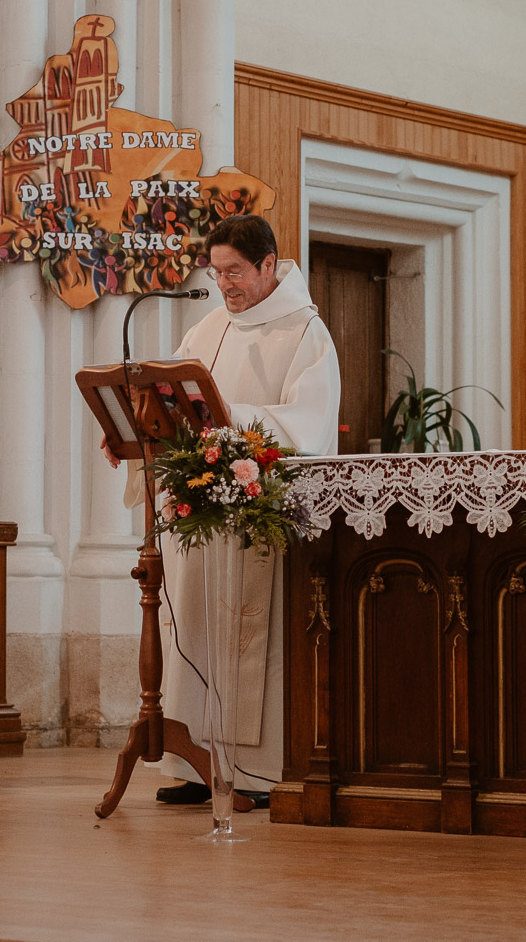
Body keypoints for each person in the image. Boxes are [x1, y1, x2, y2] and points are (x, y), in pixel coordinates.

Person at [105, 214, 340, 806]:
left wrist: (228, 416)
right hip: (200, 516)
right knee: (196, 628)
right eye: (217, 272)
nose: (225, 284)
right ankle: (194, 768)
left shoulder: (306, 332)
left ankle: (254, 775)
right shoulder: (208, 326)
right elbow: (171, 399)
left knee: (243, 635)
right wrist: (133, 430)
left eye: (235, 271)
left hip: (256, 517)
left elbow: (307, 426)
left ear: (268, 264)